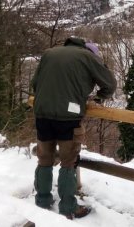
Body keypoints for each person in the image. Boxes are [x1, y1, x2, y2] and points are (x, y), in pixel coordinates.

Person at [31, 37, 116, 219]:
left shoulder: (49, 53)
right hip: (68, 118)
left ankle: (42, 200)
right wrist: (99, 97)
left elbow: (35, 83)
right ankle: (68, 207)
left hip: (42, 113)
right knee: (68, 162)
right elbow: (110, 83)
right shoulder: (88, 56)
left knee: (44, 159)